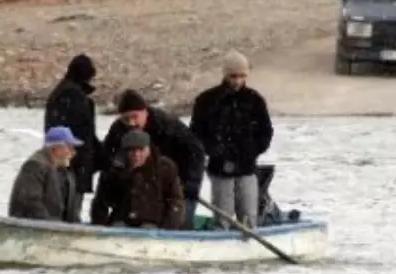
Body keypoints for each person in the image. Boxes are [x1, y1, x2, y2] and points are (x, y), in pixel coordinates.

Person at [189, 51, 274, 229]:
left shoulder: (255, 100)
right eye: (233, 76)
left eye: (242, 76)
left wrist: (253, 150)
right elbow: (196, 133)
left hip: (248, 167)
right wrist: (215, 151)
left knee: (249, 219)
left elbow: (266, 131)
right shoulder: (207, 100)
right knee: (223, 218)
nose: (237, 80)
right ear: (225, 74)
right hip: (220, 168)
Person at [102, 89, 205, 229]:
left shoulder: (167, 124)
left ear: (145, 112)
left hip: (177, 177)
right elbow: (108, 155)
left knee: (180, 219)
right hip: (142, 183)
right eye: (126, 119)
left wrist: (191, 184)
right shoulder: (119, 129)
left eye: (135, 117)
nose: (131, 123)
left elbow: (196, 151)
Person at [90, 130, 185, 229]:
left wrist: (167, 229)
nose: (136, 154)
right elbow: (100, 201)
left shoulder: (165, 169)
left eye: (141, 150)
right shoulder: (113, 171)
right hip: (122, 221)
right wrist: (99, 226)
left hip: (154, 222)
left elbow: (176, 200)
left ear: (148, 150)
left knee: (148, 228)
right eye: (132, 150)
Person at [43, 54, 104, 206]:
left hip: (63, 161)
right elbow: (85, 134)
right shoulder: (74, 96)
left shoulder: (60, 93)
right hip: (73, 166)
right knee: (70, 209)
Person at [7, 126, 84, 222]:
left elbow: (70, 210)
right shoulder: (34, 166)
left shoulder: (63, 172)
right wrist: (53, 226)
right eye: (69, 147)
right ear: (56, 148)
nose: (73, 152)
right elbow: (30, 203)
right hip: (33, 229)